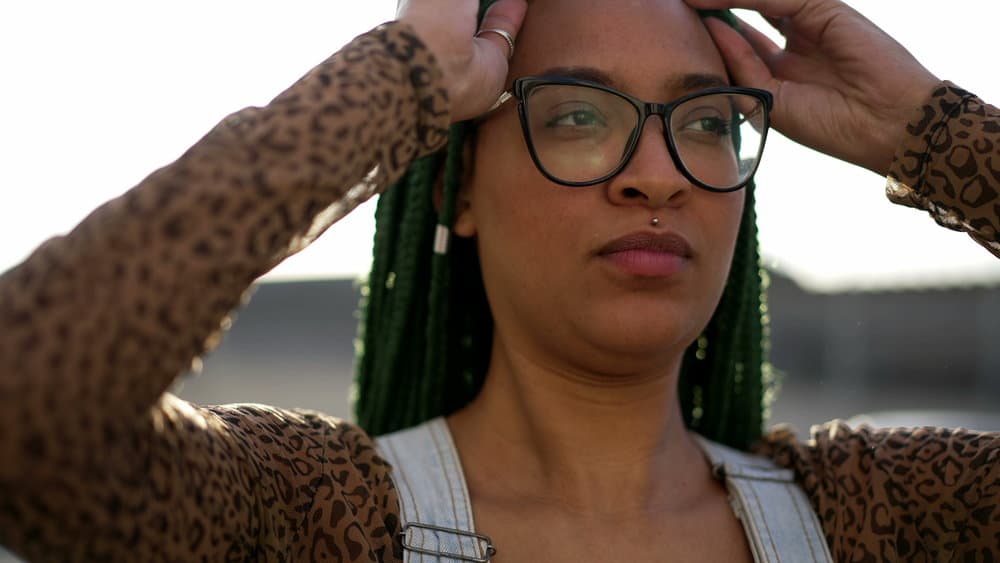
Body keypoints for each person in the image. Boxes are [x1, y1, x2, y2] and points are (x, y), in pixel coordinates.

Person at [0, 0, 996, 562]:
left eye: (703, 123)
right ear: (456, 187)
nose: (655, 173)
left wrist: (926, 132)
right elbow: (27, 405)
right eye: (575, 115)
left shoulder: (885, 516)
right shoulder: (314, 518)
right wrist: (392, 86)